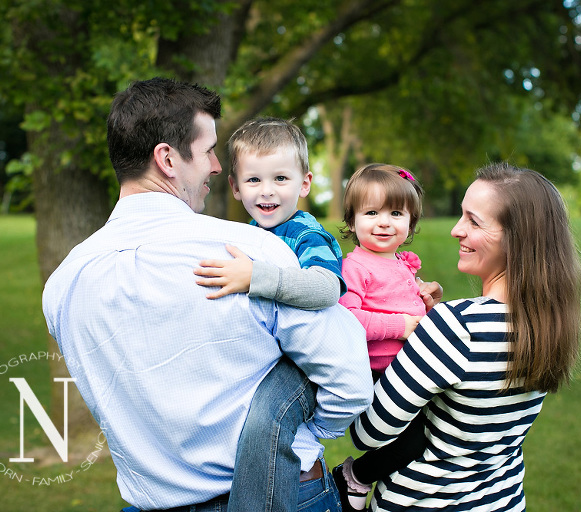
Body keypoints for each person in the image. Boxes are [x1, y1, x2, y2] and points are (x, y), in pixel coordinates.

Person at [41, 77, 373, 512]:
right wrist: (303, 438)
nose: (217, 167)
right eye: (208, 151)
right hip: (285, 496)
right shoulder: (248, 254)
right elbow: (348, 380)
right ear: (167, 159)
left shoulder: (63, 285)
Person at [349, 162, 581, 511]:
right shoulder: (547, 324)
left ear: (516, 238)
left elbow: (368, 432)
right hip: (502, 500)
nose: (456, 230)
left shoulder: (457, 327)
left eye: (474, 221)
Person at [192, 116, 348, 511]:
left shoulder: (305, 234)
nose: (267, 191)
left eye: (280, 178)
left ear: (305, 183)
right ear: (235, 186)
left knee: (268, 423)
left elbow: (326, 288)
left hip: (309, 361)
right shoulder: (250, 234)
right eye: (254, 180)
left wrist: (255, 277)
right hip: (272, 356)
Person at [329, 164, 443, 511]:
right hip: (379, 374)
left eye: (396, 213)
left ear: (410, 222)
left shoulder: (400, 264)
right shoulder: (355, 267)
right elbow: (349, 319)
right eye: (372, 213)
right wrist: (402, 326)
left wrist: (426, 299)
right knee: (412, 444)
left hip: (410, 370)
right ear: (352, 221)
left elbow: (406, 306)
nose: (384, 222)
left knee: (434, 435)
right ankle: (355, 476)